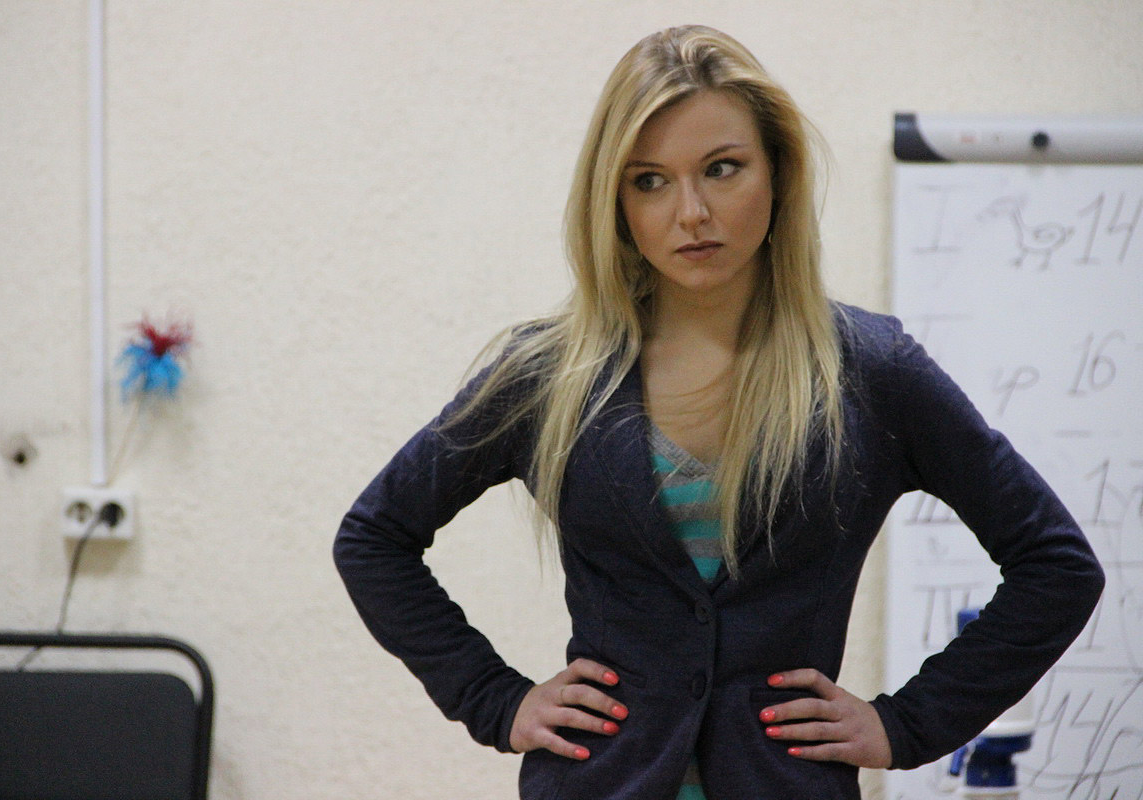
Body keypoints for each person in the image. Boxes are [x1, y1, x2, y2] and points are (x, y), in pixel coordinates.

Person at [333, 25, 1104, 800]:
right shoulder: (549, 376)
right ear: (615, 202)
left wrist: (905, 725)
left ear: (778, 173)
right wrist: (496, 701)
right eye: (649, 181)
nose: (691, 212)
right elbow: (374, 537)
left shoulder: (871, 372)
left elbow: (1057, 568)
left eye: (722, 169)